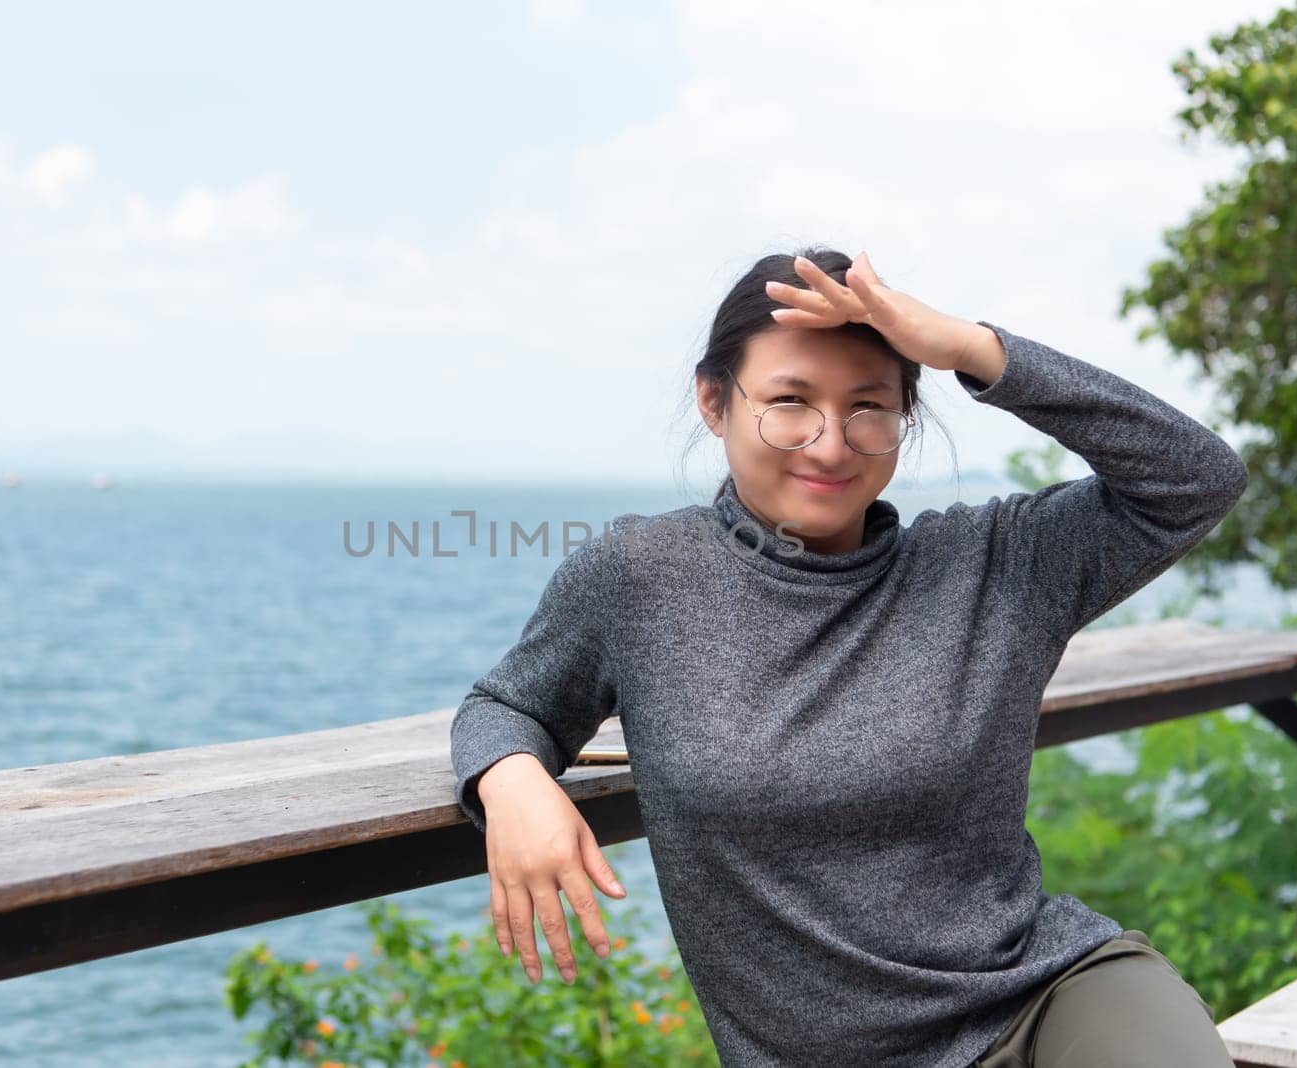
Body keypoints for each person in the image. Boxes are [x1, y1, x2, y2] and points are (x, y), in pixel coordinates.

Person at [449, 246, 1245, 1067]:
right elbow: (507, 706)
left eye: (870, 407)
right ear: (714, 401)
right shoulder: (636, 579)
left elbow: (1197, 478)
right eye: (789, 402)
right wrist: (510, 780)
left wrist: (972, 348)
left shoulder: (997, 564)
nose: (831, 446)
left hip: (1045, 1000)